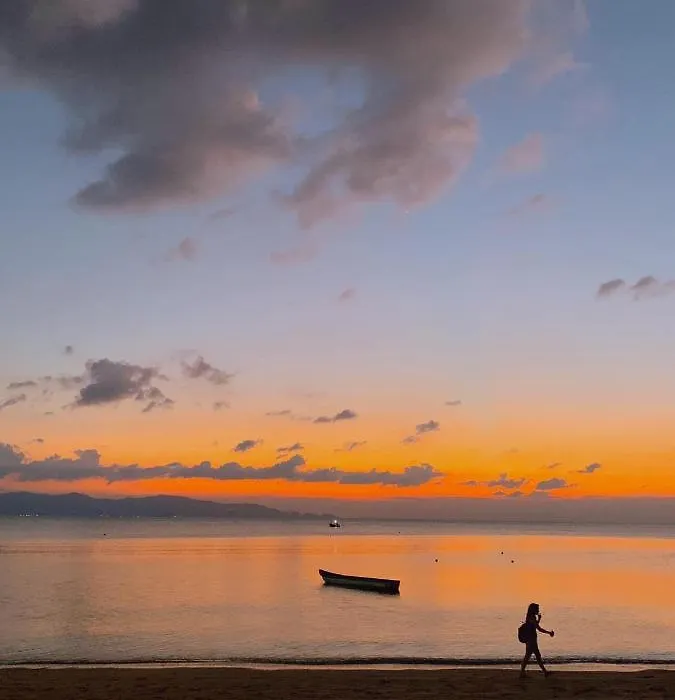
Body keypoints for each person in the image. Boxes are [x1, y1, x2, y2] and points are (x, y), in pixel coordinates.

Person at [519, 602, 554, 678]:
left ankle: (544, 672)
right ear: (533, 610)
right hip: (531, 640)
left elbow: (534, 626)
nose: (538, 610)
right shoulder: (532, 617)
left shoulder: (530, 617)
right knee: (530, 656)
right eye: (537, 609)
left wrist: (539, 619)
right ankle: (522, 673)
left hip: (531, 639)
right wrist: (549, 632)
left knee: (534, 656)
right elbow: (538, 628)